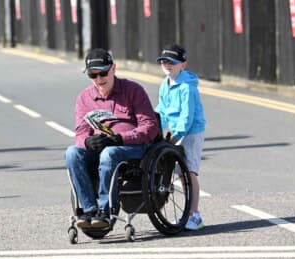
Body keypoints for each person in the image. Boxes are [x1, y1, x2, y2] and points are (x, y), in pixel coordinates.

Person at [65, 48, 159, 229]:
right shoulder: (84, 98)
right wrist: (87, 141)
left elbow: (150, 127)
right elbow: (80, 132)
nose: (99, 79)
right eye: (93, 75)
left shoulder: (133, 90)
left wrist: (119, 139)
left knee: (109, 153)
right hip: (101, 147)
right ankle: (89, 210)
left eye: (103, 73)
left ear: (113, 69)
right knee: (72, 153)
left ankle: (105, 210)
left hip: (132, 147)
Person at [155, 44, 206, 230]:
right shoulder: (164, 84)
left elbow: (187, 117)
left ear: (183, 65)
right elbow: (161, 111)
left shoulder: (187, 88)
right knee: (180, 173)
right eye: (164, 62)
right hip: (177, 131)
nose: (167, 65)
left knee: (189, 172)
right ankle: (189, 214)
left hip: (191, 132)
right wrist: (156, 131)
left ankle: (194, 215)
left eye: (172, 62)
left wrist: (175, 137)